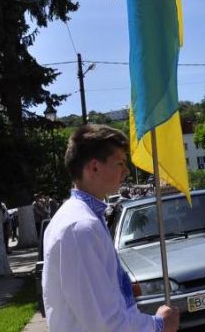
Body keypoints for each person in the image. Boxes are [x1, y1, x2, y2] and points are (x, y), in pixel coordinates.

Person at [42, 124, 179, 331]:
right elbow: (105, 324)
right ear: (94, 167)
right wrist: (158, 325)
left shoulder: (81, 218)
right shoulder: (80, 228)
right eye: (120, 163)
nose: (125, 171)